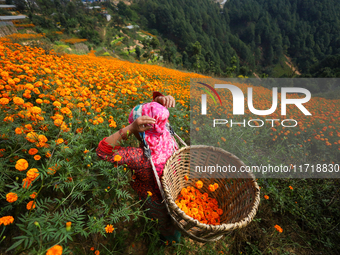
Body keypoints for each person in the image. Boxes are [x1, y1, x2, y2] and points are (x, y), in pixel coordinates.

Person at [96, 92, 181, 244]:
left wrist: (130, 128)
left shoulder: (139, 157)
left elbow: (103, 151)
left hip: (156, 201)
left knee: (164, 223)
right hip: (177, 194)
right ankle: (173, 240)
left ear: (140, 131)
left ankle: (167, 240)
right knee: (174, 219)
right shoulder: (169, 138)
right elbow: (157, 115)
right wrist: (158, 102)